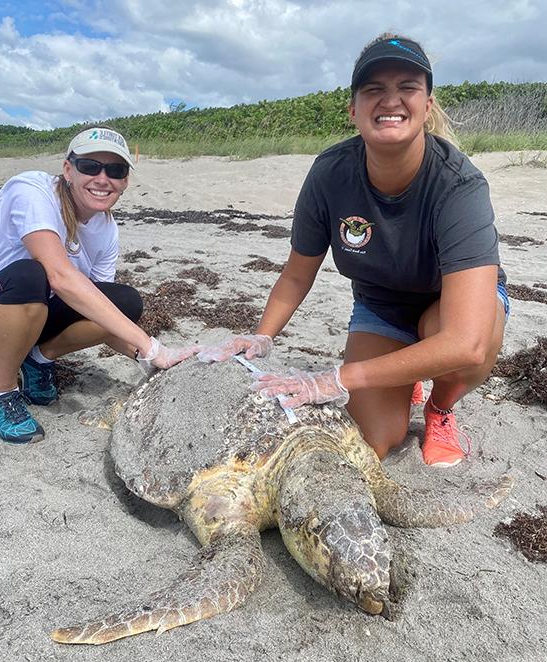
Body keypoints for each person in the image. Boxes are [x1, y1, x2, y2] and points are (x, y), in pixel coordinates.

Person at [198, 34, 509, 468]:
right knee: (374, 439)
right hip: (382, 307)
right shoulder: (330, 174)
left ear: (428, 103)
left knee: (460, 350)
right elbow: (296, 273)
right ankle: (406, 371)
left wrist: (335, 378)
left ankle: (439, 407)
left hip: (448, 308)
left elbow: (467, 341)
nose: (391, 100)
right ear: (354, 109)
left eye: (407, 87)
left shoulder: (458, 185)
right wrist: (262, 335)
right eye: (374, 89)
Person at [0, 127, 199, 444]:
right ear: (68, 169)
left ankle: (38, 359)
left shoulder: (106, 229)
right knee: (31, 274)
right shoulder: (32, 190)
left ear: (125, 180)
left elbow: (98, 312)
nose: (102, 178)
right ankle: (1, 394)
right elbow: (60, 277)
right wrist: (154, 348)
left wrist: (150, 358)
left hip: (36, 320)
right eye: (90, 166)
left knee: (124, 301)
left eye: (116, 170)